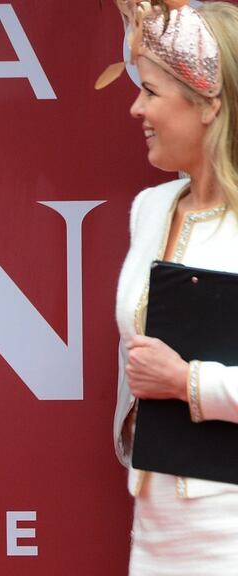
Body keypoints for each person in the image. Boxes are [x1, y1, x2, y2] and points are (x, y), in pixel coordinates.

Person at [102, 1, 238, 573]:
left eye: (150, 91)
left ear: (209, 102)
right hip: (155, 523)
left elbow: (169, 376)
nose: (136, 108)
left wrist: (188, 382)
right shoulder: (150, 208)